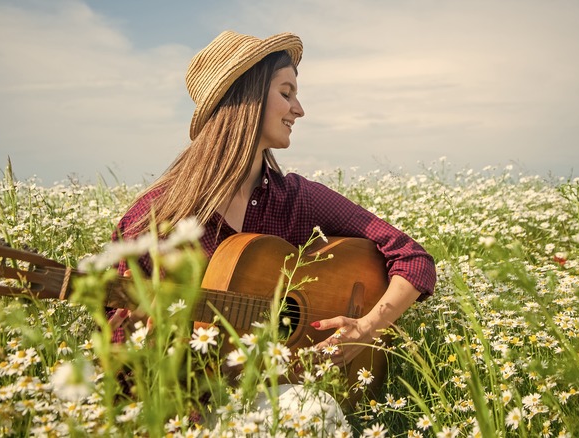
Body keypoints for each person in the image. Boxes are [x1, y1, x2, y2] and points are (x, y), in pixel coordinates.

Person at [106, 30, 436, 427]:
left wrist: (365, 328)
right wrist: (148, 341)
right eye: (286, 92)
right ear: (245, 99)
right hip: (189, 408)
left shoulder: (297, 198)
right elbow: (120, 368)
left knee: (316, 412)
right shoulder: (156, 218)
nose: (299, 109)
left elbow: (412, 257)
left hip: (278, 392)